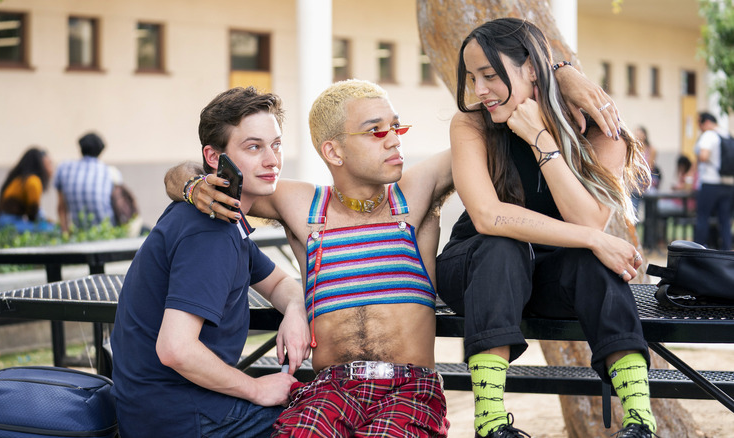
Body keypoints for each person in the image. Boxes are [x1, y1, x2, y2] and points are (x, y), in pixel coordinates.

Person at [165, 72, 619, 436]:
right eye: (375, 131)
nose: (393, 139)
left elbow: (491, 112)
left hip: (410, 391)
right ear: (333, 150)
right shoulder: (301, 205)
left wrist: (560, 75)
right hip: (328, 390)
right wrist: (191, 185)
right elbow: (192, 170)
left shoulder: (415, 194)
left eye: (396, 128)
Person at [435, 18, 657, 438]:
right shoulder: (470, 125)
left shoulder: (600, 132)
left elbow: (588, 218)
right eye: (472, 77)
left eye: (490, 74)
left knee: (595, 265)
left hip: (550, 277)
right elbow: (487, 215)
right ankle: (492, 423)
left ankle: (640, 422)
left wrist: (541, 138)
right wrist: (594, 239)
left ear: (531, 69)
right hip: (476, 269)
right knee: (504, 246)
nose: (479, 90)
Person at [110, 87, 310, 438]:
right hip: (180, 417)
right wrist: (256, 389)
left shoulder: (223, 219)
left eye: (275, 145)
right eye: (253, 147)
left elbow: (279, 283)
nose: (272, 160)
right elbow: (175, 349)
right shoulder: (211, 231)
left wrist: (295, 310)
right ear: (214, 158)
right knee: (324, 425)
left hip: (166, 409)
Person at [53, 132, 119, 233]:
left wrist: (65, 232)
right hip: (107, 230)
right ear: (100, 151)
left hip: (79, 232)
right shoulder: (110, 172)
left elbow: (61, 207)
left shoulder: (64, 168)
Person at [693, 111, 734, 250]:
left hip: (710, 182)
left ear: (706, 122)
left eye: (699, 123)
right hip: (728, 184)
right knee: (725, 221)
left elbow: (704, 156)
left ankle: (697, 250)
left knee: (703, 217)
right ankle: (726, 252)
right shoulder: (726, 134)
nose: (699, 127)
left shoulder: (709, 135)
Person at [0, 147, 56, 233]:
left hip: (1, 222)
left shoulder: (19, 179)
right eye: (49, 164)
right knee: (52, 229)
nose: (52, 168)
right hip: (9, 224)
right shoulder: (33, 181)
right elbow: (33, 215)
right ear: (40, 164)